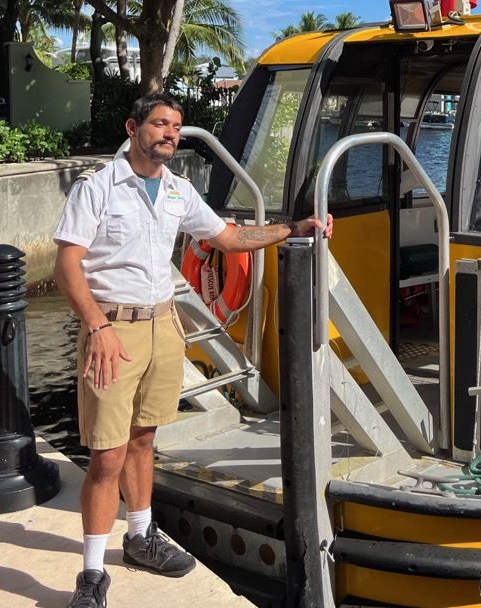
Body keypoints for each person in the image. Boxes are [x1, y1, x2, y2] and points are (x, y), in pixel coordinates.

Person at [53, 93, 331, 608]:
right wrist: (96, 326)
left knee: (144, 440)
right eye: (160, 123)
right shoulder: (98, 187)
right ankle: (91, 573)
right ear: (133, 128)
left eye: (176, 127)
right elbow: (67, 264)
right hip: (112, 328)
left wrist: (292, 228)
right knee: (107, 455)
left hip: (163, 326)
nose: (170, 134)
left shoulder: (178, 190)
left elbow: (228, 238)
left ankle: (140, 537)